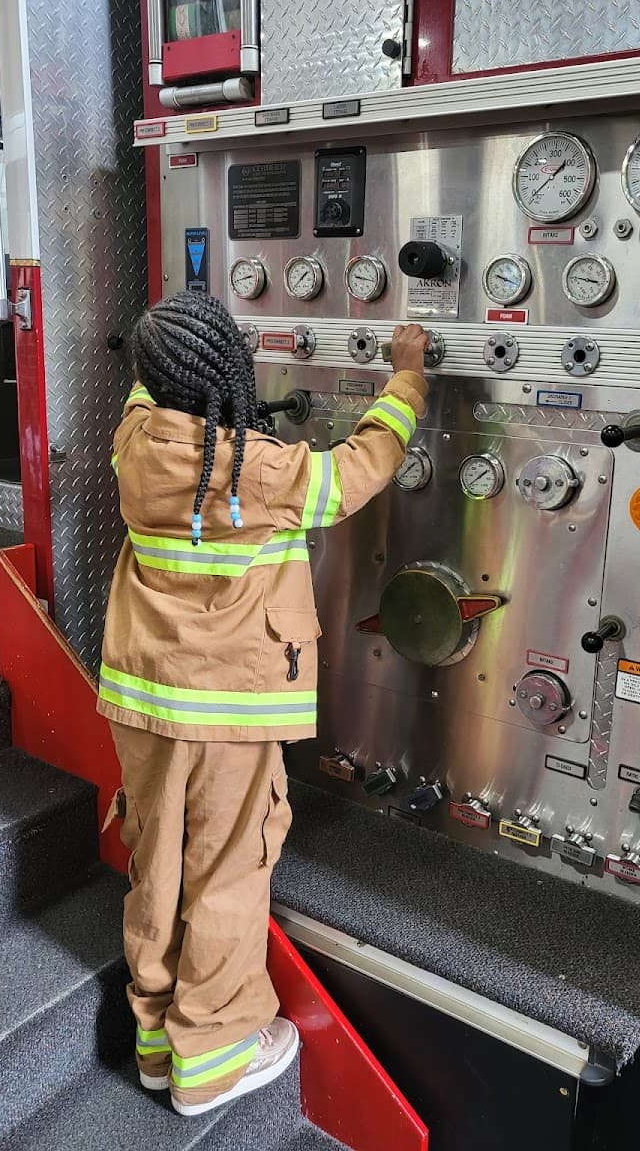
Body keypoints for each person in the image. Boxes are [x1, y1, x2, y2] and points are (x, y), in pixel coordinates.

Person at [98, 290, 429, 1117]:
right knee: (227, 872)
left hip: (142, 701)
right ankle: (212, 1056)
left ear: (151, 380)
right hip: (230, 711)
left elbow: (146, 385)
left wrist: (157, 350)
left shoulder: (133, 444)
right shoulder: (267, 470)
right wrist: (409, 378)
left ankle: (153, 1036)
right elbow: (363, 466)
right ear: (227, 377)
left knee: (158, 861)